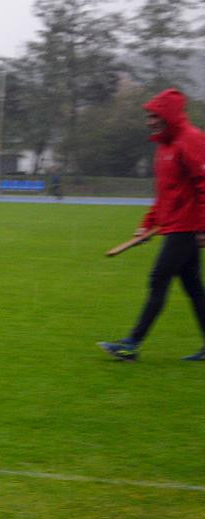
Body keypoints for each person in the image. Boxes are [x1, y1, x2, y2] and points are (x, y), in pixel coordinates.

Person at [98, 88, 205, 362]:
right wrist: (147, 225)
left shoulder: (191, 140)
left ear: (168, 115)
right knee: (193, 286)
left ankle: (131, 344)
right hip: (175, 225)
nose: (149, 121)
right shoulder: (164, 147)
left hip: (187, 227)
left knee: (159, 279)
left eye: (154, 116)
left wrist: (203, 226)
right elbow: (164, 195)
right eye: (149, 116)